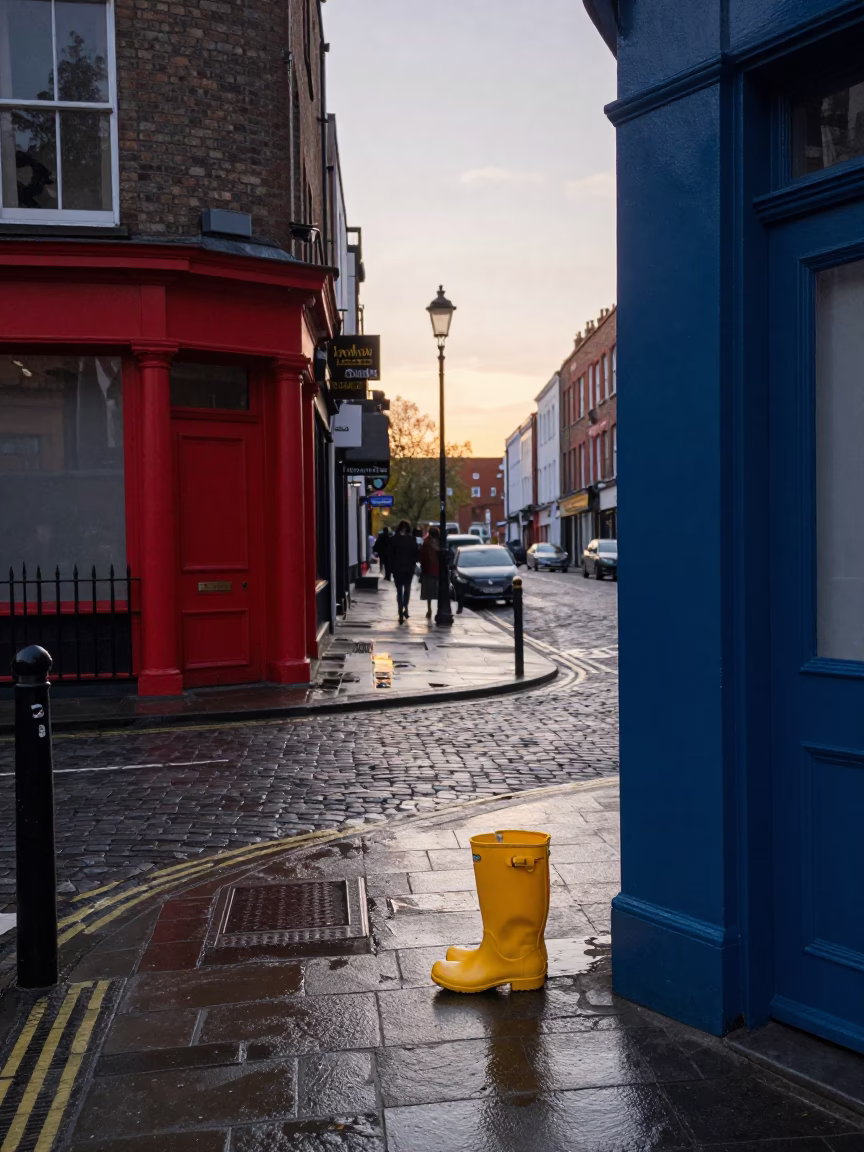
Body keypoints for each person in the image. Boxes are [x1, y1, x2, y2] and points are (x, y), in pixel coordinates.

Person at [389, 519, 419, 624]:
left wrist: (391, 568)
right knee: (407, 589)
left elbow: (391, 555)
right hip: (408, 569)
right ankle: (405, 607)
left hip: (397, 569)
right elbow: (416, 554)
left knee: (399, 591)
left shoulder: (394, 539)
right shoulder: (412, 540)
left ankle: (400, 609)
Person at [419, 527, 440, 619]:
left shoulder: (426, 542)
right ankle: (434, 609)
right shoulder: (439, 542)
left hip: (429, 570)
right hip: (436, 570)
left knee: (429, 592)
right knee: (437, 590)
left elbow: (422, 557)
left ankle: (429, 609)